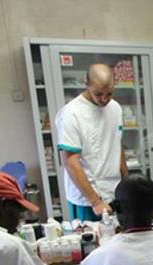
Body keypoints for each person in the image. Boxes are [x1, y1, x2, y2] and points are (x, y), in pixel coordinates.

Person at [56, 63, 129, 221]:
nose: (104, 99)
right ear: (86, 83)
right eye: (98, 94)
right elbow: (70, 161)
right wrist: (95, 201)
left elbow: (117, 145)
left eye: (109, 94)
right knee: (93, 242)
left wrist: (127, 182)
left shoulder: (115, 108)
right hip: (87, 198)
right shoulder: (71, 113)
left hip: (114, 191)